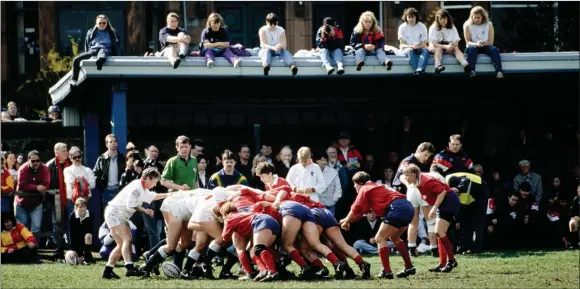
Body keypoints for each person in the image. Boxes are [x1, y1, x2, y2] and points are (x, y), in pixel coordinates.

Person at [340, 172, 416, 279]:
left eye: (355, 184)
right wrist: (348, 220)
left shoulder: (365, 187)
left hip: (397, 208)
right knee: (394, 238)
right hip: (407, 207)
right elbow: (362, 211)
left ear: (361, 183)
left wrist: (347, 220)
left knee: (379, 238)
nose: (354, 186)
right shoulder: (375, 188)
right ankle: (409, 267)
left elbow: (356, 206)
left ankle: (387, 271)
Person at [101, 168, 170, 279]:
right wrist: (145, 210)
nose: (155, 184)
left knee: (121, 245)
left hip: (115, 213)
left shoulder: (143, 188)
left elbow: (154, 196)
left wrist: (169, 195)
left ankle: (107, 271)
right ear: (148, 178)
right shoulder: (137, 187)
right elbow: (130, 204)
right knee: (127, 240)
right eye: (154, 182)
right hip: (116, 213)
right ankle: (129, 268)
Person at [402, 164, 460, 273]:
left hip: (449, 202)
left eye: (407, 175)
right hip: (443, 204)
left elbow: (442, 192)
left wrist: (434, 208)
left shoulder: (426, 181)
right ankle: (443, 263)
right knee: (439, 232)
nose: (405, 178)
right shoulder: (418, 182)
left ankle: (451, 260)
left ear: (414, 174)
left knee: (439, 231)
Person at [221, 202, 282, 282]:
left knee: (258, 248)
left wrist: (225, 222)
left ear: (224, 213)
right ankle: (266, 270)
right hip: (272, 221)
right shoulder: (243, 213)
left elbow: (225, 237)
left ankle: (272, 272)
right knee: (253, 251)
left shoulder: (229, 218)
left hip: (261, 221)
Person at [71, 15, 122, 85]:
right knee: (76, 60)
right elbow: (87, 44)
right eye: (100, 23)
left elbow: (118, 46)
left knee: (103, 51)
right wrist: (87, 56)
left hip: (106, 49)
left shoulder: (113, 32)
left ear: (107, 23)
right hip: (93, 50)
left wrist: (118, 56)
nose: (102, 25)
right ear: (96, 23)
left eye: (104, 23)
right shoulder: (90, 32)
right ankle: (73, 81)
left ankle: (100, 61)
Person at [463, 6, 503, 78]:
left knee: (494, 49)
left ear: (483, 17)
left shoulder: (489, 24)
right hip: (472, 46)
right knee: (473, 49)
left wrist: (483, 44)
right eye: (475, 17)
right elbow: (467, 41)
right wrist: (476, 44)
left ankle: (499, 72)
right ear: (472, 17)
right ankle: (472, 71)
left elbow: (491, 42)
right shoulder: (467, 24)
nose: (476, 19)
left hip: (486, 45)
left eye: (478, 17)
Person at [398, 7, 429, 75]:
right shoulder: (402, 27)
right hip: (407, 49)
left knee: (426, 50)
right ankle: (416, 70)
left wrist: (418, 47)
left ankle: (419, 69)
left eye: (413, 17)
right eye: (409, 17)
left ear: (416, 17)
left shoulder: (422, 26)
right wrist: (411, 46)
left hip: (419, 47)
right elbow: (402, 44)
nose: (411, 19)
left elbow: (424, 43)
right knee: (410, 50)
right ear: (406, 18)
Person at [68, 198, 94, 264]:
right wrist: (73, 249)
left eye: (84, 206)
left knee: (88, 235)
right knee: (74, 258)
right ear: (76, 207)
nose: (83, 208)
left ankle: (87, 257)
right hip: (76, 240)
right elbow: (71, 234)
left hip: (86, 239)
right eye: (80, 207)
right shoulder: (72, 216)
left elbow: (91, 230)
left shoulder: (90, 214)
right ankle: (79, 255)